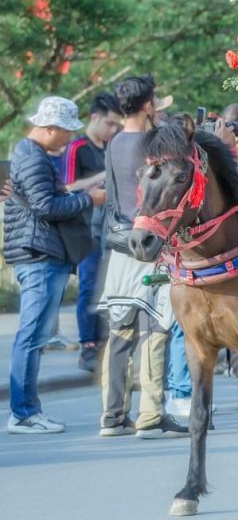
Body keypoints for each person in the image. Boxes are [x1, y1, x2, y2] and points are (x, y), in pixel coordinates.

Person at [4, 97, 105, 433]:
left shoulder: (32, 155)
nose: (67, 139)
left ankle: (27, 410)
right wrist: (87, 199)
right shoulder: (33, 158)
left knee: (34, 335)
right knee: (32, 335)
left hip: (40, 252)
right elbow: (46, 207)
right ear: (49, 128)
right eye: (64, 132)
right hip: (39, 254)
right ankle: (23, 412)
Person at [96, 75, 187, 438]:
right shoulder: (155, 143)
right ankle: (150, 413)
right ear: (148, 105)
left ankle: (112, 414)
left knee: (120, 331)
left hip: (121, 243)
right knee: (154, 328)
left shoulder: (115, 141)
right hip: (152, 244)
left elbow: (113, 192)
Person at [59, 93, 122, 372]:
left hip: (111, 228)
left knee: (107, 289)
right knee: (88, 288)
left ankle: (104, 342)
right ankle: (87, 345)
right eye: (109, 124)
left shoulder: (110, 147)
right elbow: (67, 187)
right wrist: (102, 176)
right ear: (94, 118)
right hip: (85, 230)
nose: (112, 130)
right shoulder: (77, 147)